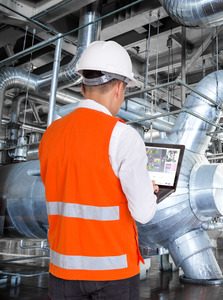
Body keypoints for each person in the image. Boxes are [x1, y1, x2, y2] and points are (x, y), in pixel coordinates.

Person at [39, 40, 158, 300]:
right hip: (112, 274)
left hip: (61, 270)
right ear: (119, 88)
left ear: (83, 87)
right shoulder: (123, 136)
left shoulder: (50, 135)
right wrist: (148, 191)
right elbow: (144, 213)